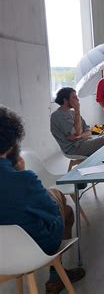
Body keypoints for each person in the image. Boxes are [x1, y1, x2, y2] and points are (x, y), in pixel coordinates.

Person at [0, 105, 86, 294]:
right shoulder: (23, 180)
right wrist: (22, 174)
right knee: (61, 202)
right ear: (9, 143)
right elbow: (52, 213)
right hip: (35, 250)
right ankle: (56, 276)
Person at [50, 87, 104, 195]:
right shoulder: (58, 115)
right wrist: (77, 112)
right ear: (65, 100)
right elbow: (77, 132)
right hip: (74, 148)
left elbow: (88, 131)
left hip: (83, 142)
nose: (77, 99)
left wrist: (80, 134)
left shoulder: (72, 113)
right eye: (74, 97)